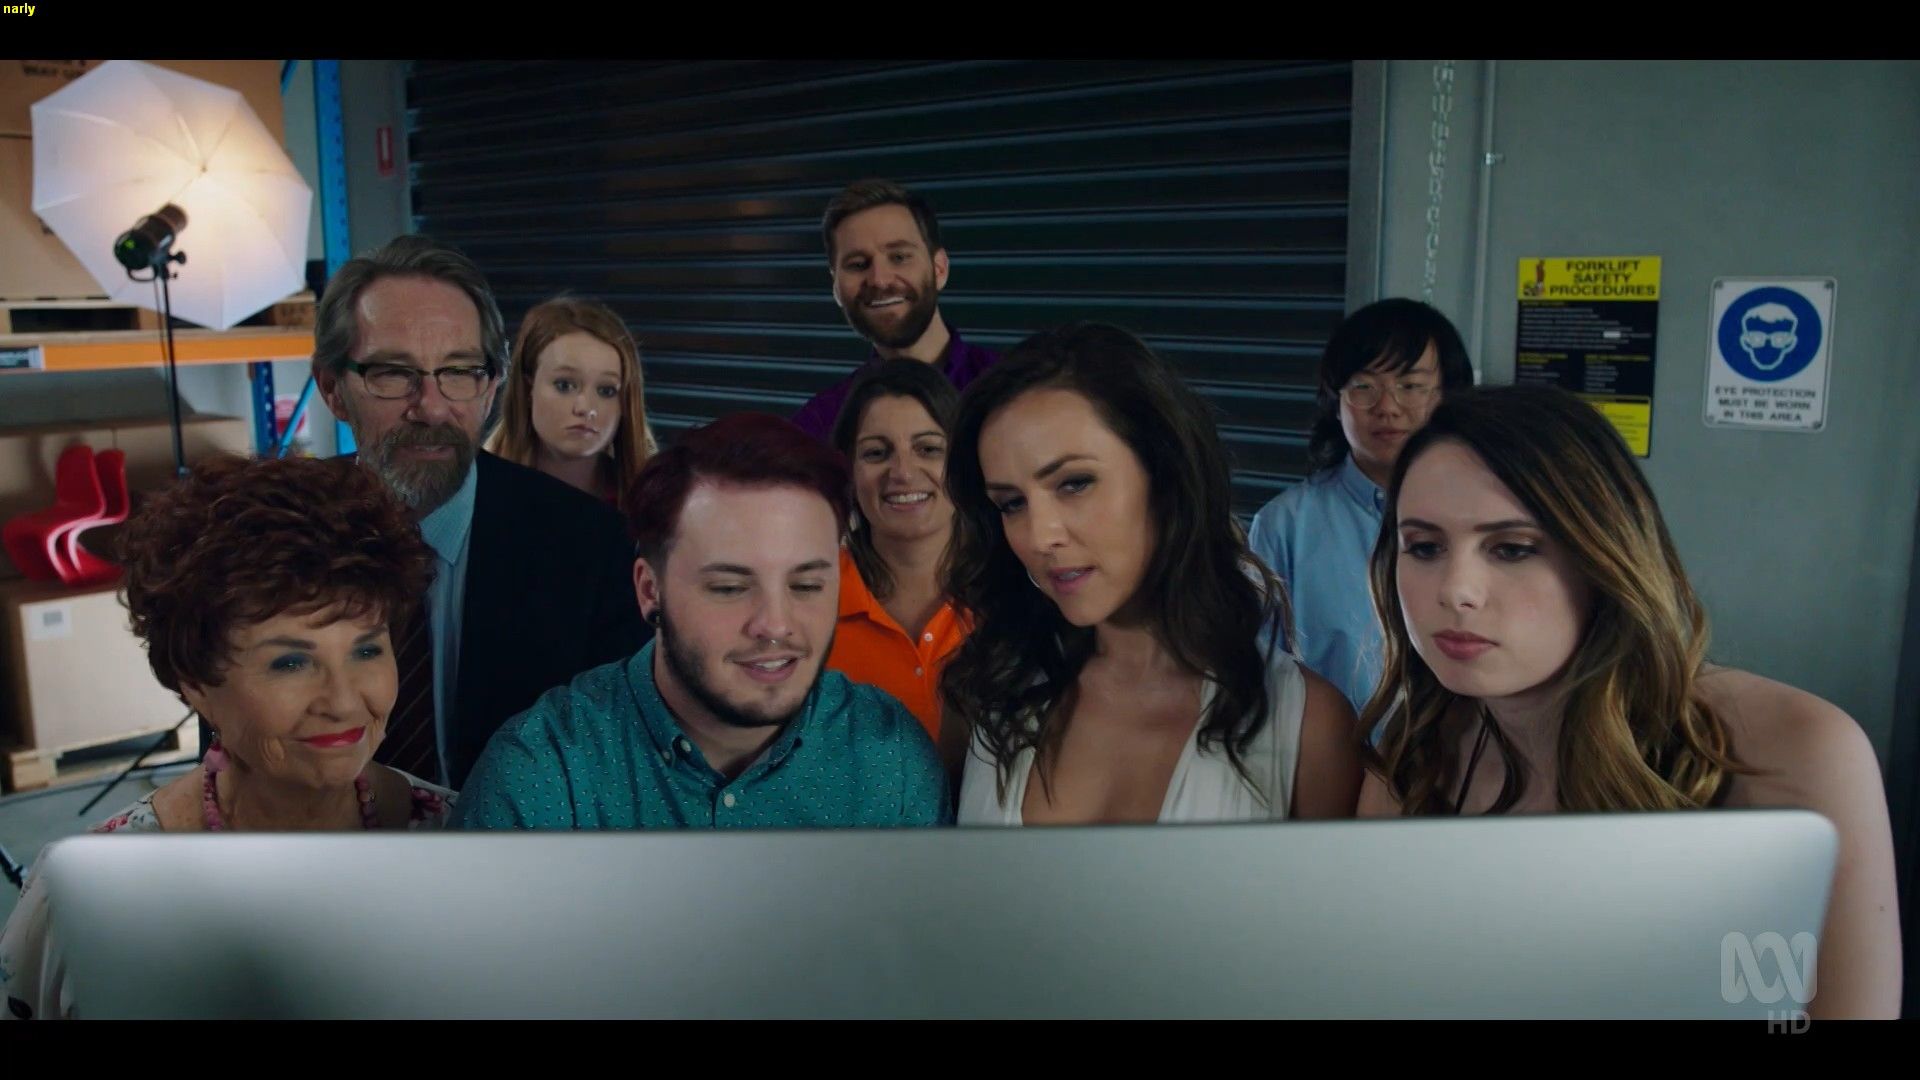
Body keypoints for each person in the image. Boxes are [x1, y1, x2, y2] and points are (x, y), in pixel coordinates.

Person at [1357, 383, 1901, 1020]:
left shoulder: (1797, 747)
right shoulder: (1416, 749)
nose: (1456, 590)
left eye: (1512, 548)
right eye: (1424, 547)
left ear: (1602, 555)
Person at [0, 454, 451, 1021]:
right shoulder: (84, 895)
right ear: (195, 683)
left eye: (366, 650)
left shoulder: (461, 837)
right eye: (290, 663)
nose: (342, 701)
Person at [942, 323, 1362, 825]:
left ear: (1164, 476)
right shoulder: (984, 695)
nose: (1039, 536)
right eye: (1012, 503)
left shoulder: (1308, 727)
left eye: (1074, 483)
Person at [451, 413, 950, 830]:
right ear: (650, 591)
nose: (776, 625)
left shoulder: (891, 758)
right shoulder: (544, 770)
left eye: (806, 585)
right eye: (730, 588)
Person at [310, 235, 650, 788]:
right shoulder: (271, 536)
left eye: (459, 371)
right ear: (332, 388)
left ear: (491, 388)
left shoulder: (593, 550)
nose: (431, 407)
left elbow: (618, 773)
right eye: (392, 373)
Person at [1247, 298, 1474, 717]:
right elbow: (1261, 675)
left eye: (1410, 385)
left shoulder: (1485, 511)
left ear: (1447, 395)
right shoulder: (1285, 526)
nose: (1387, 406)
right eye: (1364, 386)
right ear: (1336, 402)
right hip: (1334, 752)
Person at [825, 359, 971, 767]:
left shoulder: (1018, 595)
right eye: (876, 452)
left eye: (928, 449)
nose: (903, 473)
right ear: (849, 471)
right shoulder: (808, 599)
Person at [790, 179, 1000, 441]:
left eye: (899, 257)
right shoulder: (820, 425)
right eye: (858, 264)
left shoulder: (1010, 391)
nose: (879, 280)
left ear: (939, 269)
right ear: (836, 288)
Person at [483, 296, 658, 506]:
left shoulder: (647, 504)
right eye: (564, 385)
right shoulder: (478, 492)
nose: (586, 408)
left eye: (606, 390)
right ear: (529, 388)